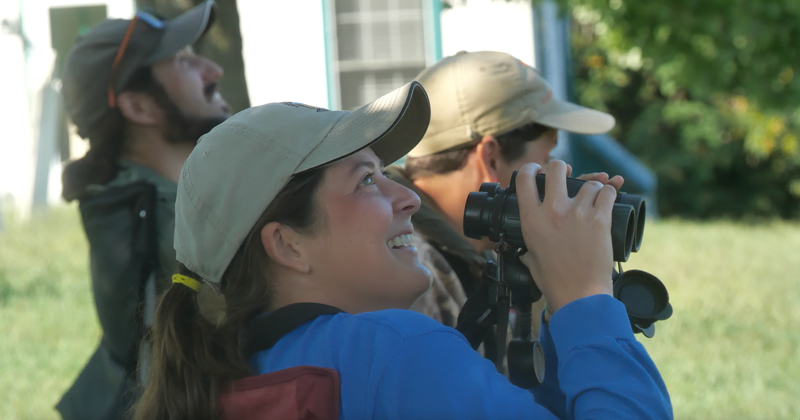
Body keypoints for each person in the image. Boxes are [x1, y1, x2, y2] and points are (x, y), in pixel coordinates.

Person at [132, 81, 671, 420]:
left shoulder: (236, 376)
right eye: (366, 181)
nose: (409, 197)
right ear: (287, 245)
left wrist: (552, 301)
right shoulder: (396, 353)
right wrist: (588, 299)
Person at [56, 2, 231, 419]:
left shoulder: (130, 202)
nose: (213, 71)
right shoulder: (173, 223)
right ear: (139, 108)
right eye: (185, 63)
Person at [386, 51, 623, 356]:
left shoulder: (461, 251)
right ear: (492, 158)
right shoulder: (415, 276)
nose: (561, 175)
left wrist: (550, 277)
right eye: (546, 159)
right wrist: (585, 300)